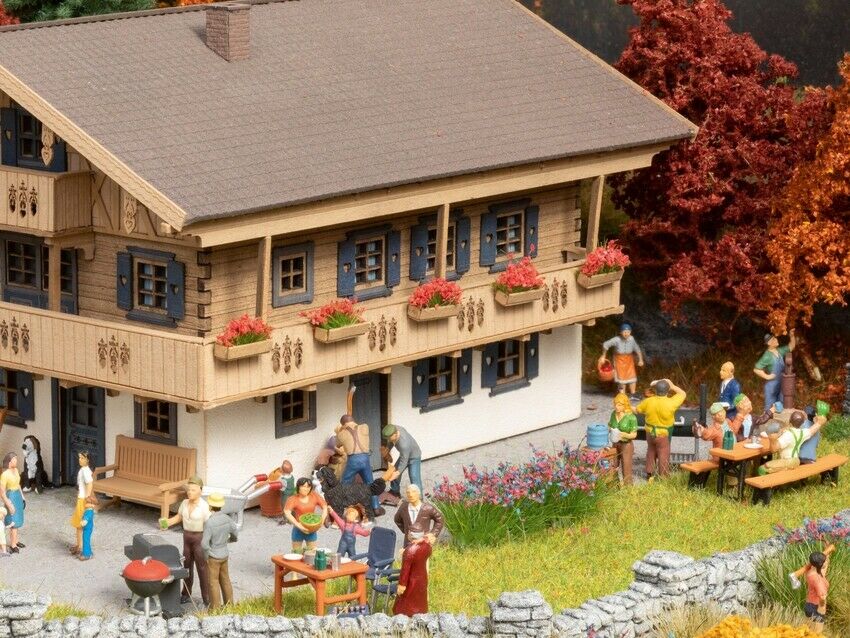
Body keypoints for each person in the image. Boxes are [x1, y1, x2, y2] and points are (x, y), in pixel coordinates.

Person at [163, 475, 211, 607]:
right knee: (186, 566)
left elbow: (209, 525)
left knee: (202, 568)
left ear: (200, 490)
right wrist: (167, 522)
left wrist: (209, 542)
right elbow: (179, 517)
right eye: (189, 490)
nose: (190, 492)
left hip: (199, 539)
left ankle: (206, 597)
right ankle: (186, 593)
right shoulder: (184, 503)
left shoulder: (204, 506)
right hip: (187, 538)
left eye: (193, 490)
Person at [635, 379, 686, 479]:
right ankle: (663, 476)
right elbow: (683, 394)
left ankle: (649, 474)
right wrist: (672, 386)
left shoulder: (648, 401)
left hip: (650, 432)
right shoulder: (671, 402)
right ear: (667, 391)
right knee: (663, 453)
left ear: (655, 390)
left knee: (651, 451)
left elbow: (638, 410)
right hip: (663, 434)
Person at [335, 414, 383, 515]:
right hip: (365, 459)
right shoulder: (365, 427)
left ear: (343, 424)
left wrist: (341, 430)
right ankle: (376, 507)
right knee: (370, 483)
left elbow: (338, 444)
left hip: (353, 460)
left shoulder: (341, 434)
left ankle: (340, 506)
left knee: (345, 482)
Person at [201, 492, 238, 610]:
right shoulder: (227, 519)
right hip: (224, 554)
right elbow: (235, 531)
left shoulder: (209, 523)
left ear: (210, 506)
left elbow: (204, 544)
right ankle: (229, 605)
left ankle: (215, 608)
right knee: (226, 579)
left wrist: (206, 556)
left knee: (213, 582)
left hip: (213, 556)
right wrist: (232, 539)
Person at [759, 411, 825, 474]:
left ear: (790, 421)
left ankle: (765, 481)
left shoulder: (787, 435)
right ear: (802, 423)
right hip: (796, 461)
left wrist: (772, 439)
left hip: (788, 461)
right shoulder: (801, 433)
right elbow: (811, 430)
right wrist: (819, 423)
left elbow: (774, 449)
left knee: (763, 468)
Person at [283, 477, 328, 553]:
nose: (306, 489)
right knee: (296, 552)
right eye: (303, 486)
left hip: (311, 529)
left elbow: (325, 506)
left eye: (308, 487)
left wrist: (322, 521)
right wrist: (298, 525)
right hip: (298, 529)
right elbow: (287, 512)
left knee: (312, 552)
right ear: (298, 487)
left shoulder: (314, 495)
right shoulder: (293, 499)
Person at [754, 330, 796, 411]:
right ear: (769, 343)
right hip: (772, 385)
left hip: (782, 383)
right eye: (773, 339)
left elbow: (791, 346)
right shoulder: (767, 356)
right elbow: (756, 369)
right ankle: (768, 418)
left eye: (775, 338)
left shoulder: (779, 351)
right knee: (770, 408)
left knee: (782, 404)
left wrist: (792, 336)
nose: (776, 340)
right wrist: (767, 376)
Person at [393, 531, 432, 617]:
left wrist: (402, 585)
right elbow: (424, 555)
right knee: (420, 599)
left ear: (411, 535)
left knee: (406, 602)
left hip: (411, 582)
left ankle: (405, 616)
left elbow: (405, 570)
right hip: (422, 577)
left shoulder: (410, 550)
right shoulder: (427, 546)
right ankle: (421, 613)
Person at [599, 323, 644, 397]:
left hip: (629, 360)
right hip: (619, 360)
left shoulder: (631, 339)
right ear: (621, 332)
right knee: (621, 379)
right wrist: (603, 355)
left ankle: (633, 394)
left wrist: (640, 359)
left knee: (632, 377)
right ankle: (622, 395)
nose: (626, 334)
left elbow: (637, 349)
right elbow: (605, 344)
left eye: (628, 332)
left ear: (630, 332)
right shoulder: (616, 339)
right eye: (624, 332)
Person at [381, 424, 423, 497]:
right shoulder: (394, 429)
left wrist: (398, 472)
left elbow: (404, 461)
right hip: (404, 455)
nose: (389, 440)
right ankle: (395, 491)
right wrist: (387, 449)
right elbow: (391, 442)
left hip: (414, 457)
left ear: (395, 434)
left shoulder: (404, 444)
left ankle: (419, 498)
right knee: (393, 471)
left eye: (389, 438)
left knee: (414, 478)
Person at [608, 393, 638, 485]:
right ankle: (613, 486)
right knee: (613, 464)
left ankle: (628, 487)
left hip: (626, 445)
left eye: (619, 405)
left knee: (626, 466)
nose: (616, 407)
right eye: (615, 404)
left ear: (625, 405)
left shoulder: (631, 417)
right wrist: (609, 430)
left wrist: (624, 435)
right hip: (615, 443)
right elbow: (609, 425)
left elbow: (634, 435)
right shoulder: (613, 414)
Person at [69, 451, 94, 556]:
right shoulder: (83, 469)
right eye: (79, 458)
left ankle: (81, 547)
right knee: (78, 523)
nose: (80, 460)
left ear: (88, 459)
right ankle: (79, 545)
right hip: (81, 498)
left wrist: (87, 497)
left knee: (80, 524)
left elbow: (89, 484)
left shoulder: (85, 471)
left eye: (82, 458)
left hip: (83, 499)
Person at [1, 452, 24, 554]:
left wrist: (22, 496)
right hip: (11, 497)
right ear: (9, 462)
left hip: (17, 496)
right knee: (13, 521)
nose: (16, 461)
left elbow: (18, 484)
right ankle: (13, 545)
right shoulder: (5, 475)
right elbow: (2, 492)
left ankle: (16, 541)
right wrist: (9, 504)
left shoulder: (16, 470)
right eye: (15, 459)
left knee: (18, 519)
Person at [804, 551, 829, 634]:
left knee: (808, 632)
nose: (826, 562)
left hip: (809, 605)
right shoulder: (817, 580)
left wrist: (828, 550)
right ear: (820, 564)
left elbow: (824, 568)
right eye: (824, 561)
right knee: (816, 634)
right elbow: (822, 596)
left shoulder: (811, 572)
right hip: (816, 607)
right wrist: (821, 608)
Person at [79, 495, 97, 561]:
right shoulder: (89, 510)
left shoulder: (89, 512)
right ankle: (88, 552)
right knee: (86, 540)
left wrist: (81, 523)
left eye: (87, 503)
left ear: (92, 504)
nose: (85, 504)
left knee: (85, 540)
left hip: (87, 528)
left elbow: (85, 521)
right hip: (88, 528)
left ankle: (86, 555)